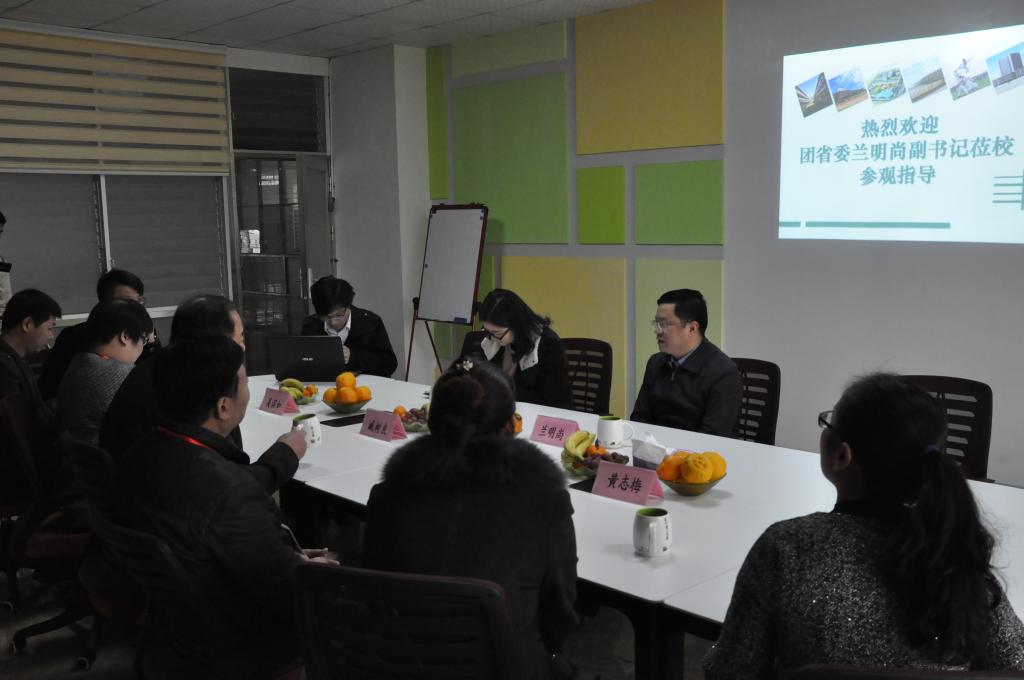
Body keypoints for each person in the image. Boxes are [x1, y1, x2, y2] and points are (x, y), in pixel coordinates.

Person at [704, 373, 1024, 677]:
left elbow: (729, 671)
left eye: (829, 422)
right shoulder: (956, 558)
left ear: (842, 455)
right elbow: (1015, 664)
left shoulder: (786, 548)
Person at [113, 336, 320, 679]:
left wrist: (286, 555)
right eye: (245, 383)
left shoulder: (139, 453)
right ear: (223, 407)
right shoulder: (229, 493)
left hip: (173, 627)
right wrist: (310, 571)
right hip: (239, 644)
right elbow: (291, 596)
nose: (248, 391)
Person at [363, 359, 579, 680]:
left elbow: (372, 595)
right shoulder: (545, 501)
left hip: (397, 664)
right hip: (506, 667)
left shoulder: (387, 496)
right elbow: (560, 612)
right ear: (511, 425)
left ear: (432, 422)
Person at [100, 294, 299, 495]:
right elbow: (224, 487)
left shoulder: (165, 369)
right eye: (239, 339)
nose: (244, 348)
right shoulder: (182, 387)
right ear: (214, 345)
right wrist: (284, 456)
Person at [630, 289, 741, 436]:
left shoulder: (723, 373)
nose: (657, 331)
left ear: (692, 328)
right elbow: (639, 418)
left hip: (699, 450)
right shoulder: (656, 363)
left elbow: (712, 436)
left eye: (663, 324)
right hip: (656, 447)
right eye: (656, 323)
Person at [41, 268, 159, 400]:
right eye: (127, 301)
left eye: (140, 301)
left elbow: (158, 375)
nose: (137, 307)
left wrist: (150, 342)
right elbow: (50, 387)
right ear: (105, 303)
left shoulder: (143, 334)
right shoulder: (74, 337)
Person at [57, 299, 152, 445]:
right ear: (125, 336)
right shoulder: (122, 375)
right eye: (143, 340)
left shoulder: (79, 363)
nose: (142, 348)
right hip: (109, 454)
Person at [471, 288, 572, 409]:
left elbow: (551, 401)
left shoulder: (549, 345)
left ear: (516, 325)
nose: (491, 338)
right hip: (505, 409)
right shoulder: (493, 341)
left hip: (542, 414)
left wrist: (501, 390)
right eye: (487, 331)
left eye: (497, 333)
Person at [300, 275, 397, 377]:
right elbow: (302, 362)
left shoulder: (370, 322)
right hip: (323, 384)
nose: (333, 322)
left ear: (348, 305)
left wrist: (353, 357)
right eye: (326, 317)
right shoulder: (311, 324)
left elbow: (389, 364)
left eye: (338, 315)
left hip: (365, 385)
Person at [0, 288, 61, 425]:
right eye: (49, 328)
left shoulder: (14, 360)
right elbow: (22, 426)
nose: (51, 336)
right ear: (27, 324)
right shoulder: (5, 371)